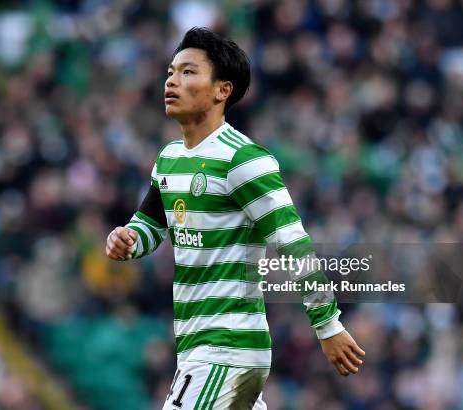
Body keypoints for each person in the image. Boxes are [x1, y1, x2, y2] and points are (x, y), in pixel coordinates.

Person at [105, 27, 365, 409]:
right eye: (170, 72)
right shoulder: (170, 158)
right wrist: (127, 239)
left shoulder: (244, 160)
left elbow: (292, 242)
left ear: (221, 90)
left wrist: (328, 325)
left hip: (225, 346)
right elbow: (150, 225)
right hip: (200, 344)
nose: (172, 81)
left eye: (189, 72)